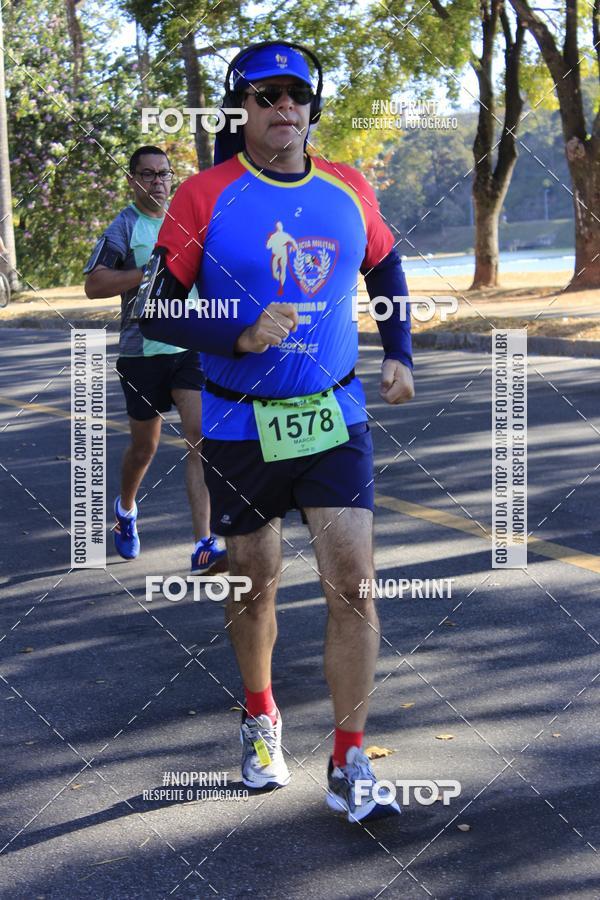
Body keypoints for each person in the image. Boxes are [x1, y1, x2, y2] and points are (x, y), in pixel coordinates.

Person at [135, 43, 415, 823]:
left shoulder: (348, 186)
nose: (282, 107)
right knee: (253, 580)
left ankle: (350, 760)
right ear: (241, 110)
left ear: (311, 107)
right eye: (264, 96)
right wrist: (239, 331)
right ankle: (262, 716)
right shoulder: (202, 196)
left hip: (333, 413)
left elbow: (384, 265)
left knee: (354, 580)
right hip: (235, 422)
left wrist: (399, 350)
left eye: (296, 94)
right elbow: (155, 308)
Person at [84, 145, 227, 574]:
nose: (158, 182)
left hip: (190, 346)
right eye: (147, 175)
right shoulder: (124, 226)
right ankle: (125, 509)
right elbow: (94, 284)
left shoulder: (187, 220)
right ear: (132, 181)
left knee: (200, 438)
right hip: (142, 351)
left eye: (163, 173)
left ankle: (204, 543)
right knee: (143, 449)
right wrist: (148, 273)